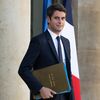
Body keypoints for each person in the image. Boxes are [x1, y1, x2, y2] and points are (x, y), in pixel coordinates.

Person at [18, 3, 74, 100]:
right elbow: (23, 69)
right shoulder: (38, 41)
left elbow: (68, 72)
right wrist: (40, 88)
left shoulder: (66, 42)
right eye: (56, 18)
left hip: (65, 97)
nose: (60, 21)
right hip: (46, 97)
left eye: (63, 18)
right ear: (48, 19)